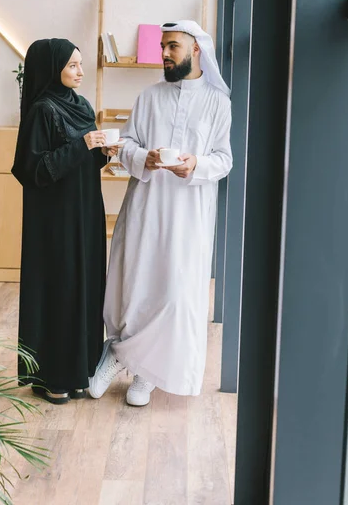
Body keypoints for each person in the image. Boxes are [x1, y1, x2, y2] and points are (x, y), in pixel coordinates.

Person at [88, 21, 232, 406]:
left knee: (173, 291)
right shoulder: (149, 96)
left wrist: (195, 164)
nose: (164, 55)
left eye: (172, 47)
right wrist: (144, 158)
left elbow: (224, 160)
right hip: (145, 206)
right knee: (134, 283)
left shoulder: (219, 102)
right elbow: (128, 144)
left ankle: (145, 372)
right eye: (162, 47)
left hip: (189, 213)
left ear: (196, 49)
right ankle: (119, 353)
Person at [12, 38, 117, 404]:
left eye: (81, 64)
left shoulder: (82, 105)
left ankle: (79, 369)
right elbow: (34, 169)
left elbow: (81, 162)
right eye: (73, 65)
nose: (81, 72)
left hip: (85, 211)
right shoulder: (42, 111)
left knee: (84, 284)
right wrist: (84, 145)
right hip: (54, 220)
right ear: (52, 67)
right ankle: (54, 375)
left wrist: (101, 153)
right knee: (60, 287)